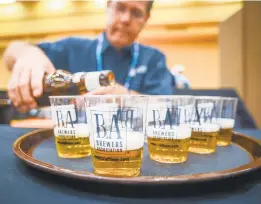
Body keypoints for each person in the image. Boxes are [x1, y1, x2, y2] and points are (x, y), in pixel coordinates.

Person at [3, 0, 175, 113]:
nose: (125, 19)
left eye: (136, 13)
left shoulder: (153, 59)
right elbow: (12, 50)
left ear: (146, 18)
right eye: (120, 8)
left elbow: (165, 107)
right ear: (108, 6)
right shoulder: (73, 47)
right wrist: (28, 54)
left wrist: (126, 97)